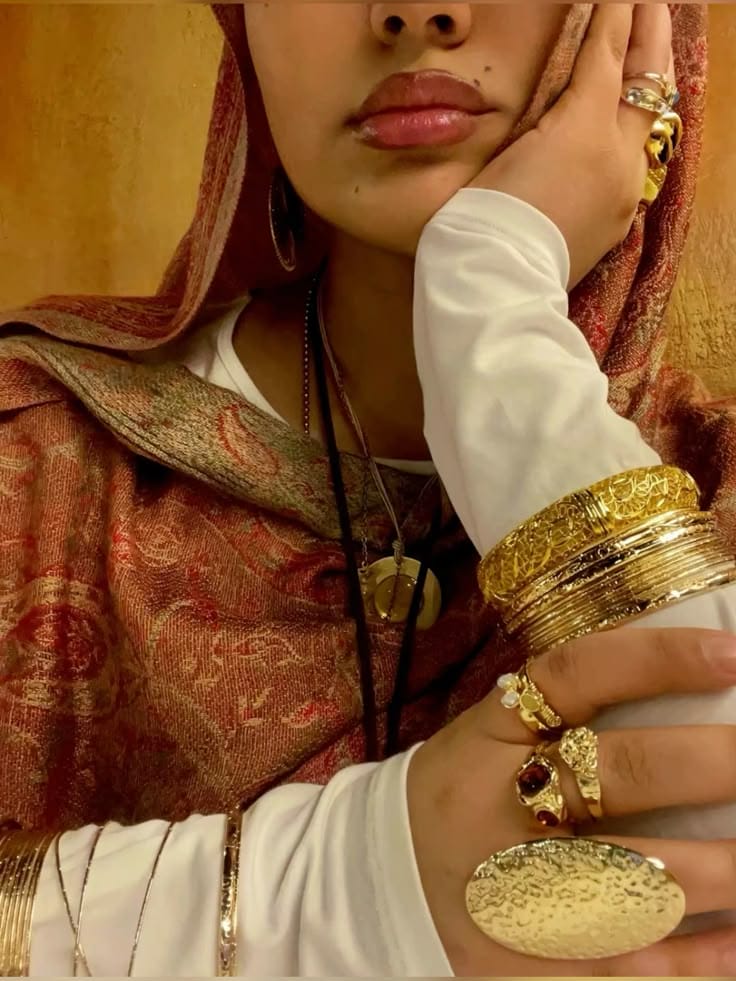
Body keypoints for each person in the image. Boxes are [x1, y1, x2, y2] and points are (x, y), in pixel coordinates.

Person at [2, 2, 736, 976]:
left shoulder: (716, 480)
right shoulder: (30, 456)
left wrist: (488, 295)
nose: (416, 10)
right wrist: (342, 891)